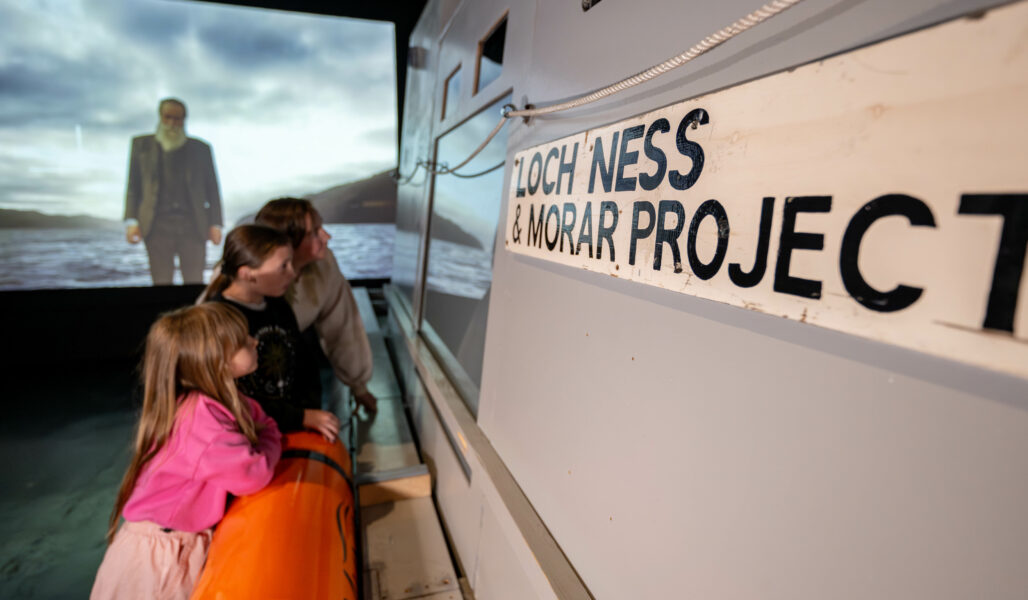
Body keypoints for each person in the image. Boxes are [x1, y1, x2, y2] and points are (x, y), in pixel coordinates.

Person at [91, 303, 281, 599]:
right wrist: (271, 436)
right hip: (160, 562)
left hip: (167, 546)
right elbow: (254, 474)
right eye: (243, 341)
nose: (254, 341)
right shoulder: (202, 422)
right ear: (217, 362)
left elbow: (255, 416)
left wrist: (265, 427)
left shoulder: (212, 402)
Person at [204, 224, 342, 441]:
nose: (292, 272)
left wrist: (309, 411)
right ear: (247, 274)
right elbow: (234, 396)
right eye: (283, 266)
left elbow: (303, 362)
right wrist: (300, 417)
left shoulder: (279, 305)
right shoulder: (219, 319)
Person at [255, 198, 377, 413]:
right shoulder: (242, 276)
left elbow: (342, 326)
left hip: (289, 374)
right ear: (287, 242)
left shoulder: (324, 264)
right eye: (314, 232)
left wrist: (358, 386)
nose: (326, 237)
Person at [124, 98, 223, 285]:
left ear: (184, 120)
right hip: (156, 226)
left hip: (194, 226)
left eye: (178, 119)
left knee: (194, 282)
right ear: (160, 117)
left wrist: (215, 224)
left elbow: (213, 189)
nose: (172, 123)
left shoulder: (201, 149)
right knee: (161, 283)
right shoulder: (140, 145)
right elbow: (133, 187)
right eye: (168, 117)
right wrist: (131, 221)